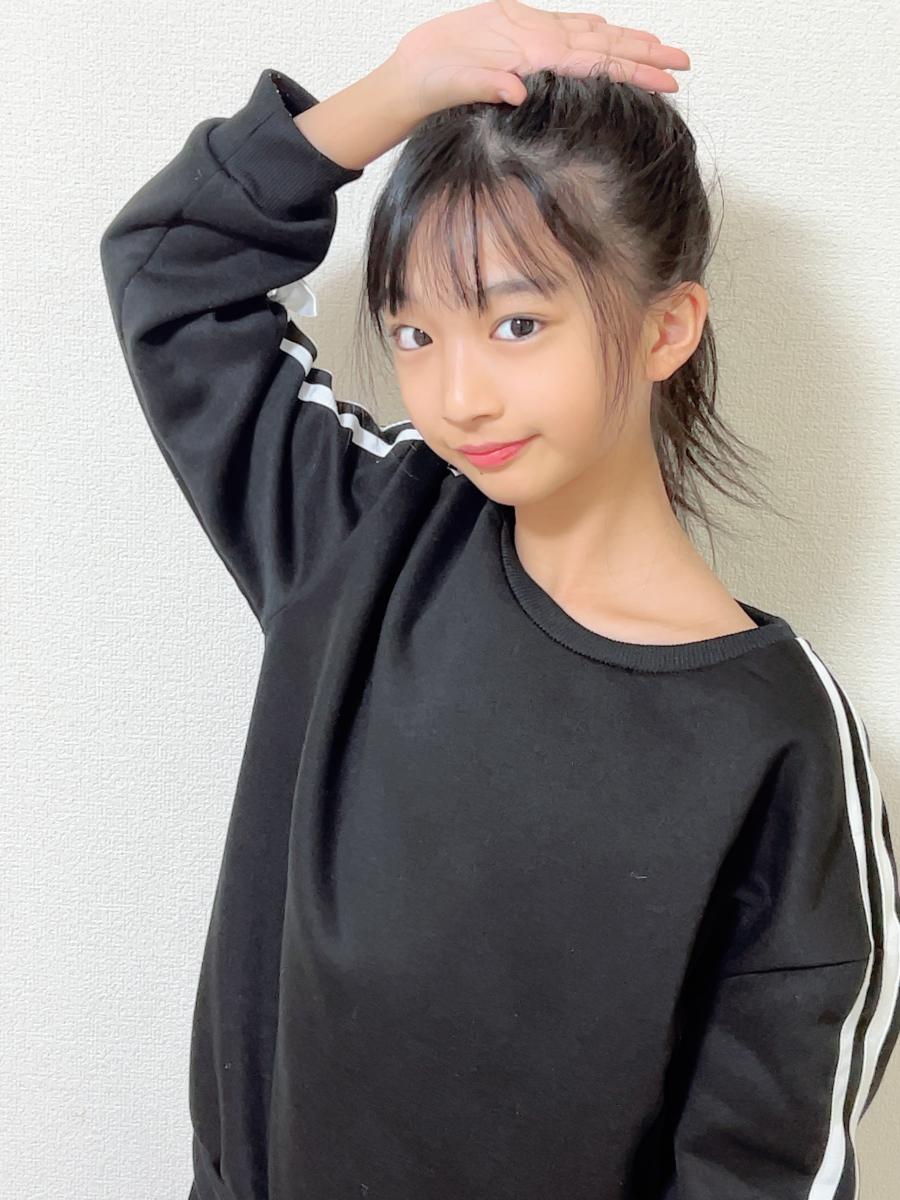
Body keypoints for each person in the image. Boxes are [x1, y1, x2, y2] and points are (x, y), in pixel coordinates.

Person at [99, 3, 900, 1197]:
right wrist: (401, 86)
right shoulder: (361, 539)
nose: (457, 395)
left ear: (668, 327)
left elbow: (764, 1168)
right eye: (415, 332)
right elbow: (170, 275)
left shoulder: (778, 742)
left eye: (517, 323)